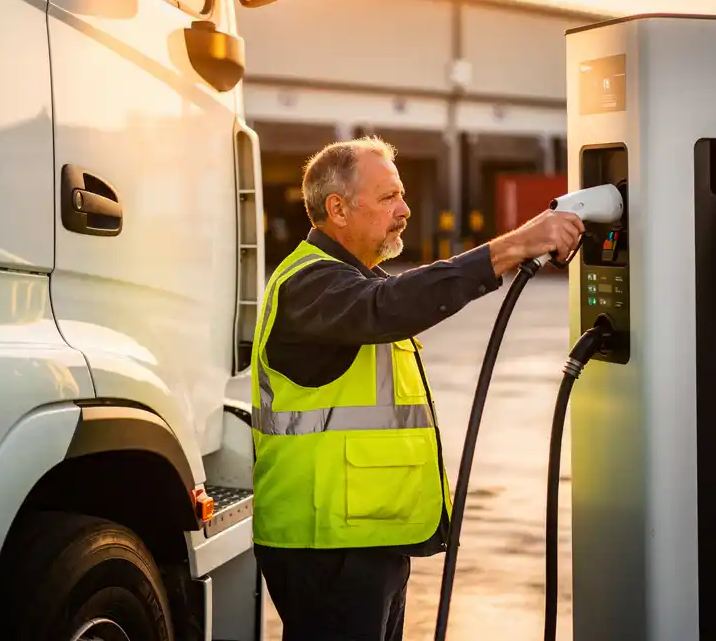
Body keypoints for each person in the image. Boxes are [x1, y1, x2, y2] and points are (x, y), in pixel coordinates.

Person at [250, 136, 584, 640]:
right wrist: (514, 245)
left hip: (367, 538)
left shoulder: (356, 281)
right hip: (326, 546)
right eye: (388, 198)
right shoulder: (310, 285)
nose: (405, 210)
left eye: (402, 195)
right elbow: (390, 305)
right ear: (336, 208)